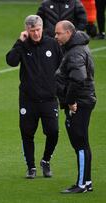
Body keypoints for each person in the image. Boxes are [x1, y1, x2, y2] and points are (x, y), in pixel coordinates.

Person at [6, 15, 62, 179]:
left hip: (49, 99)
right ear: (27, 30)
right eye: (32, 31)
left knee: (53, 132)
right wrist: (19, 42)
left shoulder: (52, 44)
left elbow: (63, 65)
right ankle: (31, 167)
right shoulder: (23, 45)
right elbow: (11, 61)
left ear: (42, 28)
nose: (36, 34)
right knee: (27, 133)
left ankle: (46, 160)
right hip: (28, 100)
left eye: (37, 30)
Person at [54, 20, 97, 193]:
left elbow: (78, 78)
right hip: (83, 100)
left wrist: (70, 102)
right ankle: (86, 182)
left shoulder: (75, 53)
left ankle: (81, 185)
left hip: (79, 103)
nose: (55, 36)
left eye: (58, 33)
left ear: (69, 33)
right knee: (83, 143)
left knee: (79, 143)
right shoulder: (76, 48)